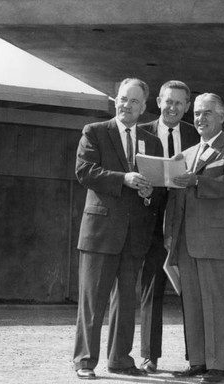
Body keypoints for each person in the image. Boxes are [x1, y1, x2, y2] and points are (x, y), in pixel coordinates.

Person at [72, 78, 164, 380]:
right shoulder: (95, 132)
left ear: (144, 107)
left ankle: (120, 360)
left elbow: (157, 187)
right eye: (123, 99)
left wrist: (148, 191)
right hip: (100, 232)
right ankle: (85, 361)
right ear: (115, 100)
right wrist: (124, 179)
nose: (127, 105)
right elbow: (85, 171)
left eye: (134, 101)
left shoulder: (153, 142)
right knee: (93, 302)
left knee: (126, 302)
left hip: (134, 234)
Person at [165, 93, 224, 383]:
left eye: (207, 113)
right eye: (197, 114)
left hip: (217, 242)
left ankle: (217, 366)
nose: (200, 119)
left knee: (217, 303)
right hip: (185, 242)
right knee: (193, 304)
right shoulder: (185, 155)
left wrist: (198, 180)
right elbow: (176, 198)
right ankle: (198, 362)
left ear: (222, 117)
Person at [139, 80, 199, 373]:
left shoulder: (195, 134)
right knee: (152, 288)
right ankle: (150, 356)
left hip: (185, 223)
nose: (173, 107)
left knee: (190, 288)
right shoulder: (141, 133)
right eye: (168, 101)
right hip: (150, 221)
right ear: (158, 102)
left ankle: (195, 358)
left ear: (187, 106)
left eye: (179, 103)